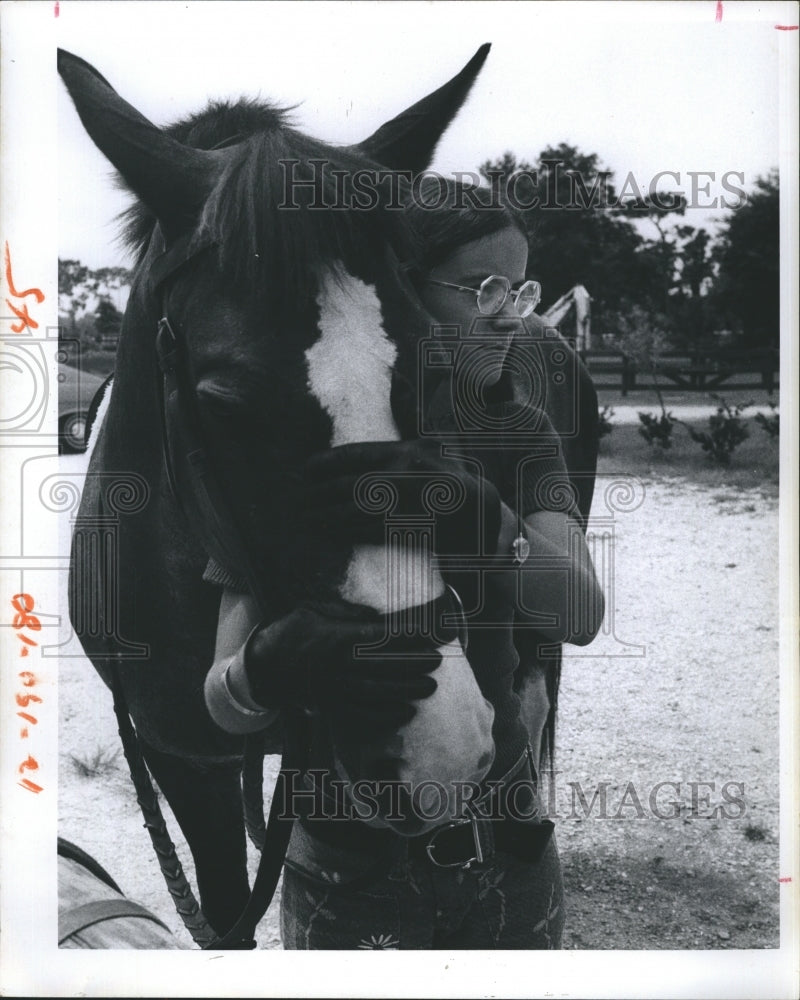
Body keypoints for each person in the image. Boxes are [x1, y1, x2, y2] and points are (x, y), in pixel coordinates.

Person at [203, 180, 604, 949]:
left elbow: (580, 616)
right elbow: (222, 704)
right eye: (485, 291)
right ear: (400, 294)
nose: (513, 317)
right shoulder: (301, 435)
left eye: (521, 290)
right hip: (345, 879)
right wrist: (268, 665)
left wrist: (487, 520)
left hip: (508, 858)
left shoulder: (519, 430)